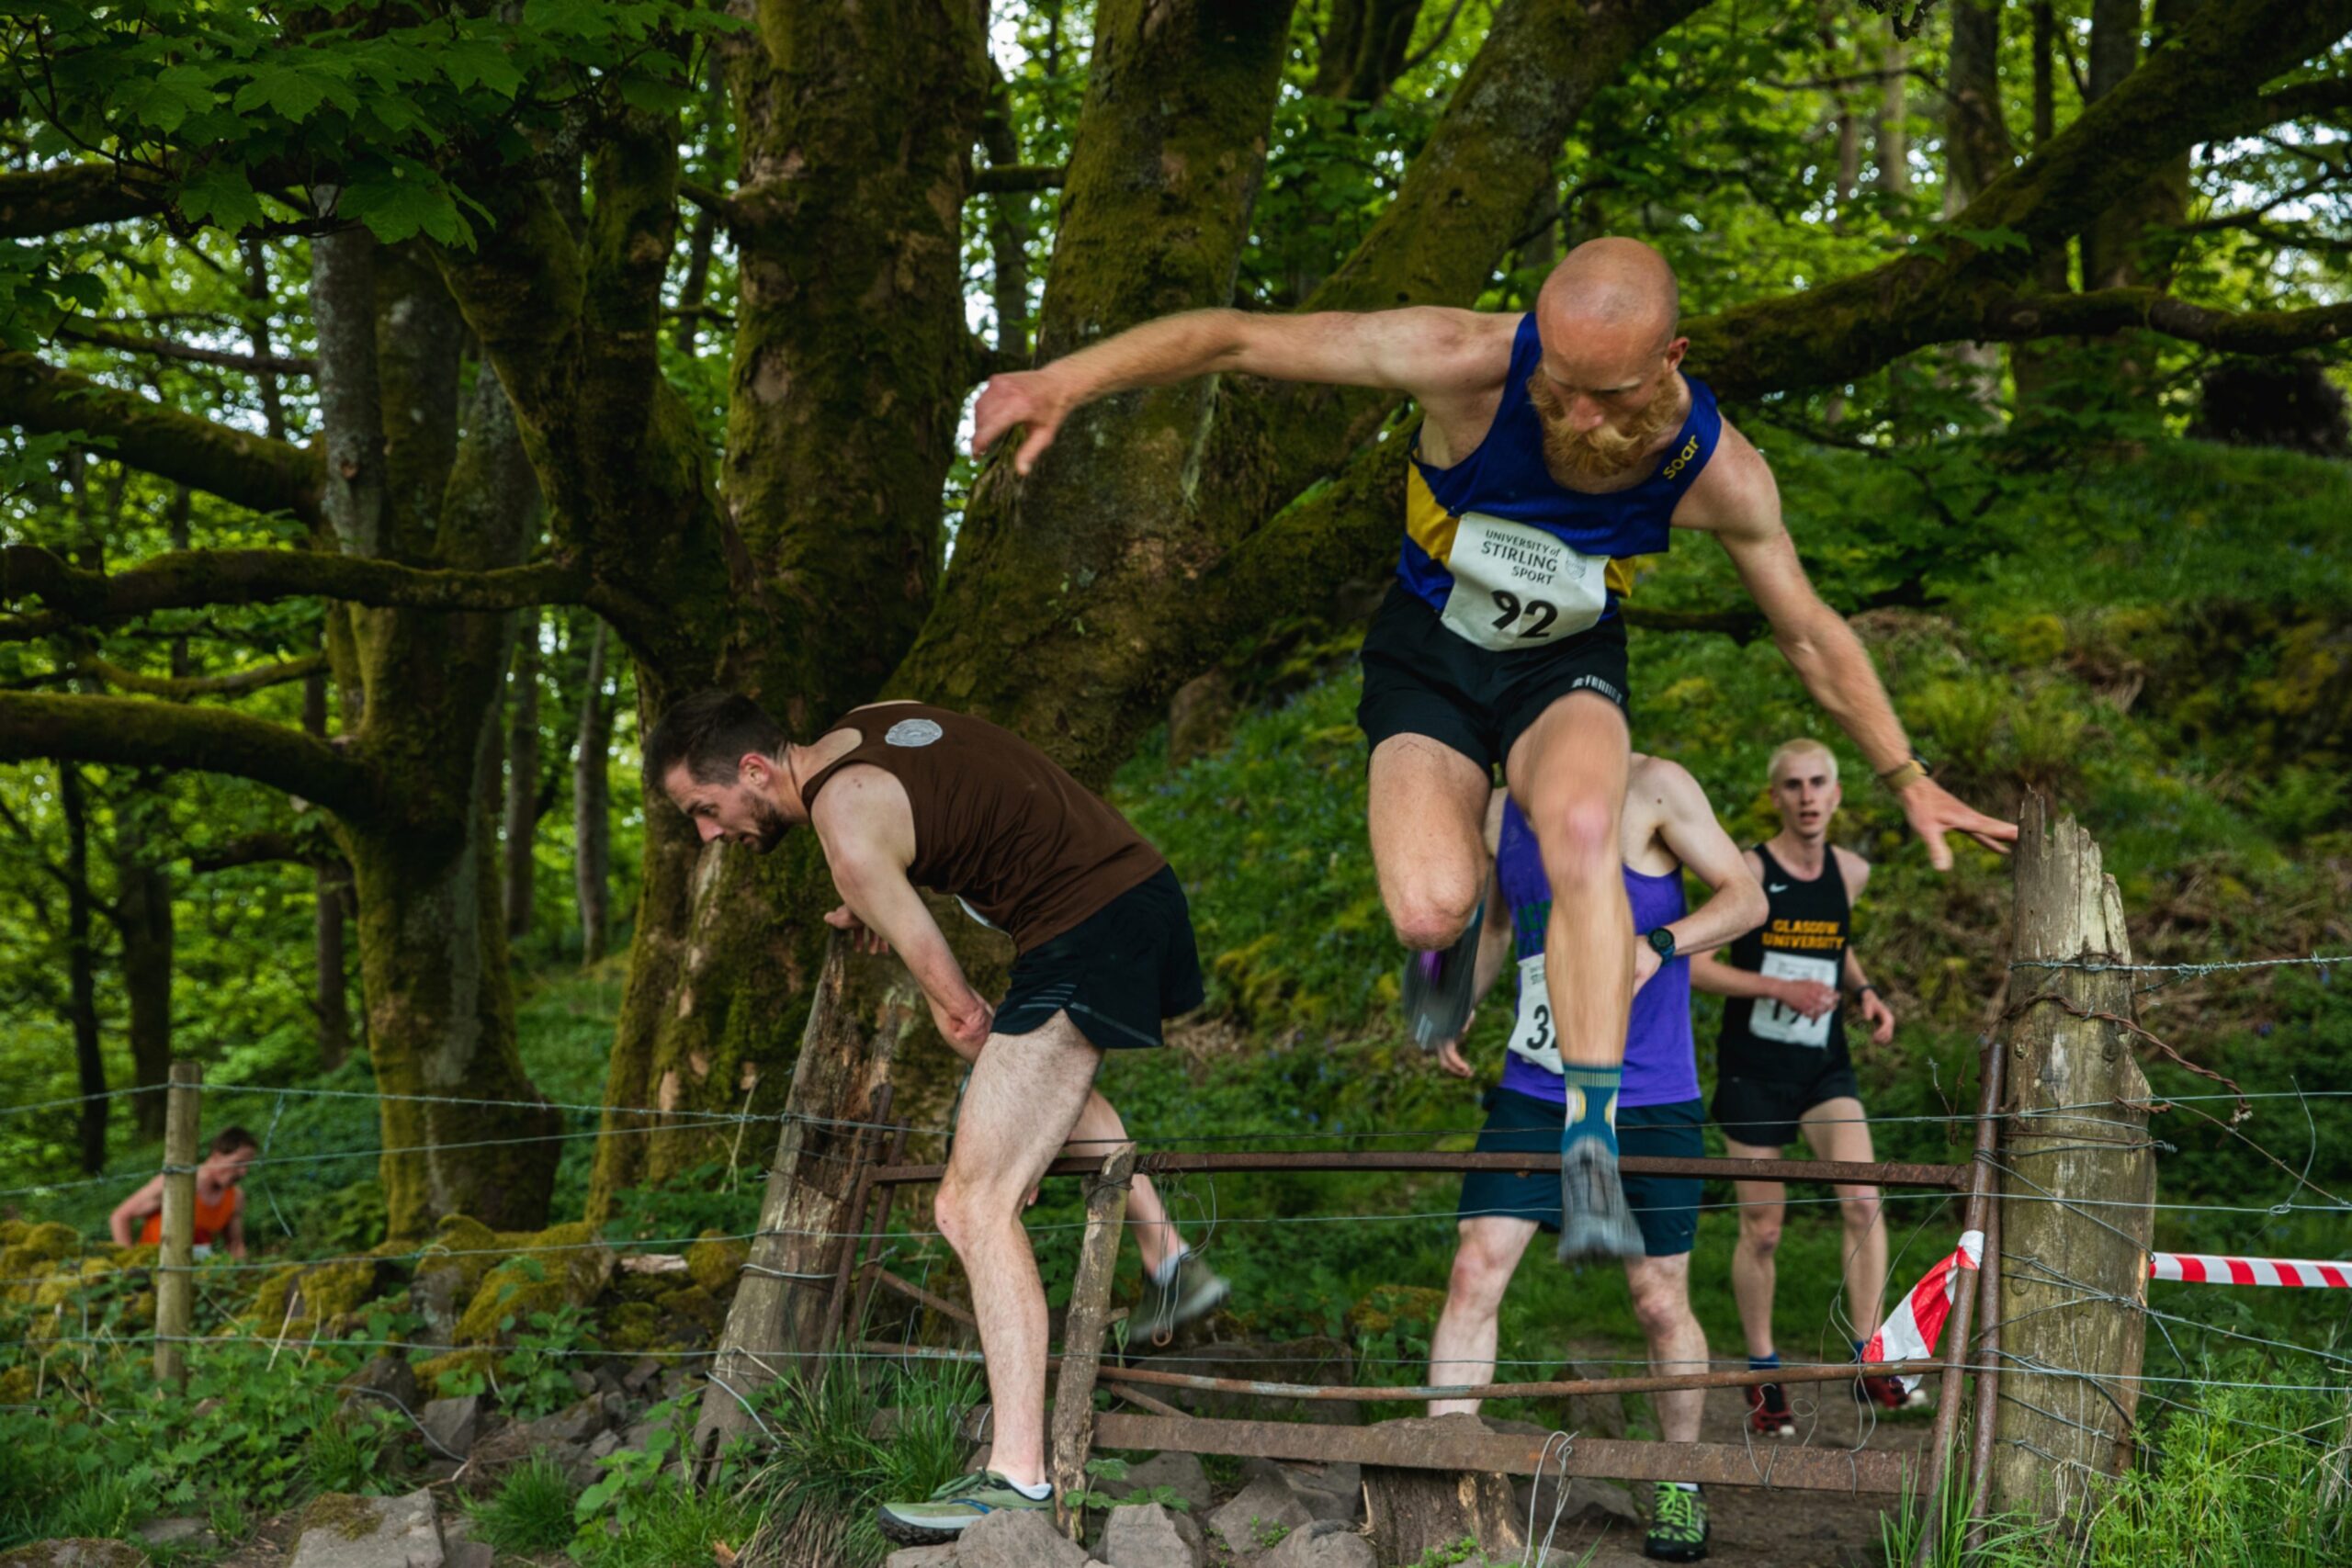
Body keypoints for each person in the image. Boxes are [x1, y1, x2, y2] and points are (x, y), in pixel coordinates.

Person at [970, 235, 2014, 1259]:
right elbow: (1238, 339)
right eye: (1559, 385)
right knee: (1430, 901)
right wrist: (1065, 380)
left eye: (1608, 395)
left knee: (1583, 834)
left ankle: (1589, 1133)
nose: (1577, 414)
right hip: (1428, 654)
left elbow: (1807, 629)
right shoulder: (1462, 359)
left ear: (1671, 362)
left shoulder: (1717, 469)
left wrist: (1906, 774)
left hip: (1565, 666)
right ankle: (1442, 947)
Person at [643, 691, 1227, 1543]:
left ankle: (1017, 1475)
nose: (706, 832)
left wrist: (875, 895)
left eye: (705, 807)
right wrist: (874, 895)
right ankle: (1168, 1251)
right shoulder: (875, 719)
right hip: (1130, 892)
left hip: (1087, 926)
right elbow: (948, 792)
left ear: (757, 770)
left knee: (972, 1201)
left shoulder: (846, 830)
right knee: (1019, 1078)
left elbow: (960, 1012)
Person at [1424, 759, 1767, 1564]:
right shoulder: (1505, 808)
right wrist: (1457, 1003)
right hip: (1537, 1087)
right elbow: (1502, 927)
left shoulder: (1655, 785)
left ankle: (1678, 1479)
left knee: (1656, 1296)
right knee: (1475, 1267)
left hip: (1648, 1094)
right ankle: (1445, 1479)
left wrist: (1660, 943)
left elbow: (1745, 898)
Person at [1689, 739, 1915, 1431]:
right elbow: (1693, 963)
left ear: (1838, 793)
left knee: (1863, 1196)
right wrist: (1775, 984)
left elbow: (1833, 942)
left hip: (1823, 1067)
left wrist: (1866, 989)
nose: (1808, 796)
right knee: (1763, 1228)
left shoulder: (1850, 872)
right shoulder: (1749, 871)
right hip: (1753, 1070)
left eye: (1819, 782)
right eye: (1793, 785)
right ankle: (1765, 1375)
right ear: (1777, 796)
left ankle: (1869, 1356)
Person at [108, 1126, 257, 1260]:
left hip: (200, 1271)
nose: (243, 1172)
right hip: (155, 1268)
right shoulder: (177, 1182)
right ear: (216, 1155)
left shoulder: (235, 1197)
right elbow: (120, 1216)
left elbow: (235, 1246)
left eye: (247, 1166)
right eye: (238, 1163)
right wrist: (128, 1264)